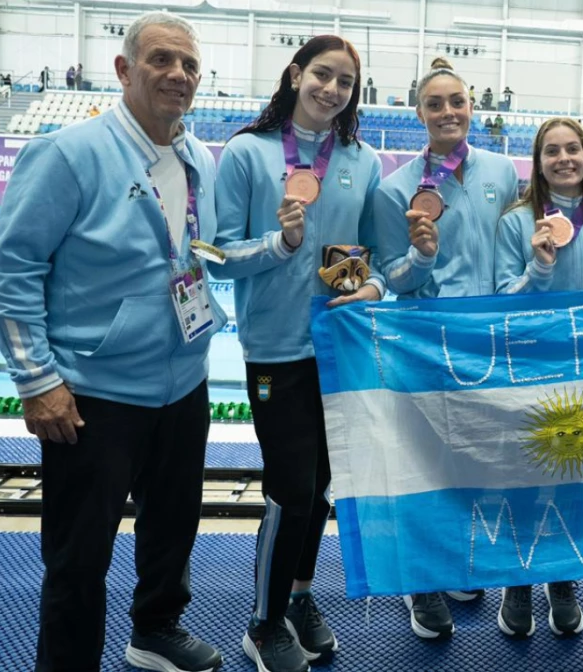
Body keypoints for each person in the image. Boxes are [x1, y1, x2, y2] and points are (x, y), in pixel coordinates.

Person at [0, 12, 226, 672]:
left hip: (185, 382)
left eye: (189, 65)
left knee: (172, 526)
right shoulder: (68, 154)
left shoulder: (197, 157)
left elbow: (199, 253)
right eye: (161, 60)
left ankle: (156, 630)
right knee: (79, 557)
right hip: (95, 397)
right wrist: (38, 381)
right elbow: (11, 270)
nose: (178, 75)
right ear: (124, 69)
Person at [211, 34, 382, 672]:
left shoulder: (363, 160)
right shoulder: (246, 153)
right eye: (322, 75)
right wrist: (279, 245)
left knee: (323, 486)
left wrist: (373, 287)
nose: (332, 90)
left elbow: (377, 256)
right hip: (274, 351)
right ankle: (263, 622)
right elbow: (218, 255)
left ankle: (300, 597)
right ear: (294, 74)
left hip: (339, 347)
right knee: (291, 489)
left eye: (345, 82)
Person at [373, 56, 519, 637]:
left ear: (471, 107)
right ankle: (421, 582)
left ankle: (455, 561)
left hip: (488, 342)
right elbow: (391, 276)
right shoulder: (394, 190)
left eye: (456, 102)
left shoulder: (502, 171)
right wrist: (422, 257)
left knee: (472, 462)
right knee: (426, 467)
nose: (447, 112)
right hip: (427, 344)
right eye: (435, 104)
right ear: (419, 114)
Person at [492, 117, 583, 640]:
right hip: (534, 366)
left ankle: (563, 578)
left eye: (572, 148)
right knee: (528, 477)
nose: (564, 159)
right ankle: (519, 579)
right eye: (551, 151)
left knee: (579, 477)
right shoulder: (516, 222)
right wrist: (540, 268)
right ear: (538, 162)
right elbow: (502, 299)